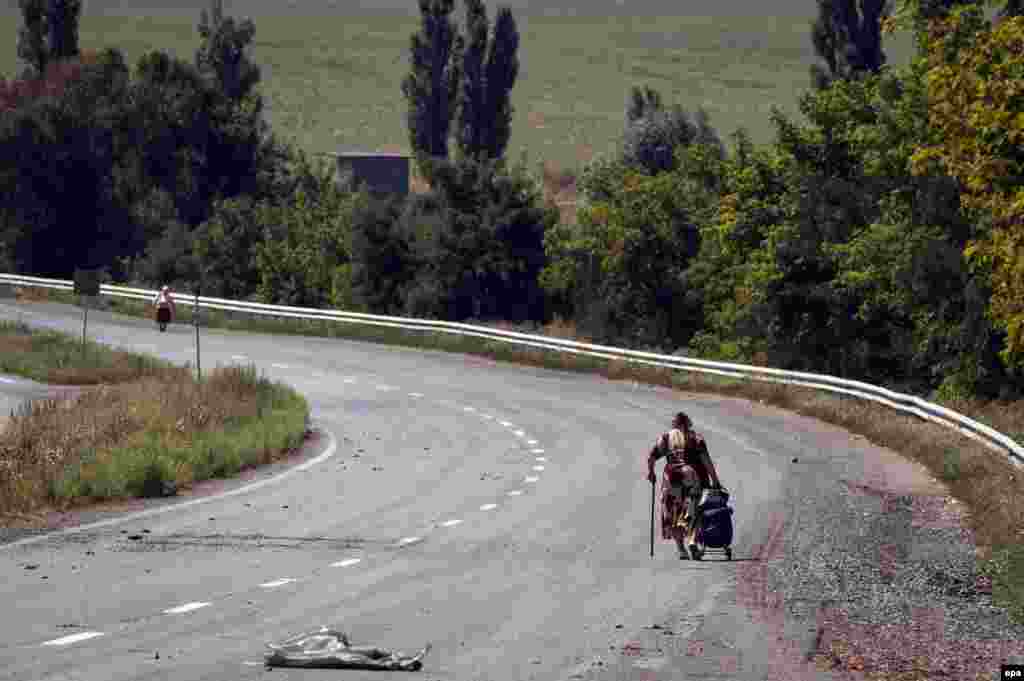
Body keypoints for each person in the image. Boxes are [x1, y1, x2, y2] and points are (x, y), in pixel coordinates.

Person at [646, 411, 723, 560]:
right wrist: (715, 481)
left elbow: (651, 457)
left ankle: (681, 549)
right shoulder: (696, 438)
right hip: (691, 477)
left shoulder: (666, 438)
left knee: (672, 511)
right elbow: (707, 461)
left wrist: (650, 472)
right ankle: (693, 541)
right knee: (695, 508)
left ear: (674, 424)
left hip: (671, 478)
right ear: (688, 423)